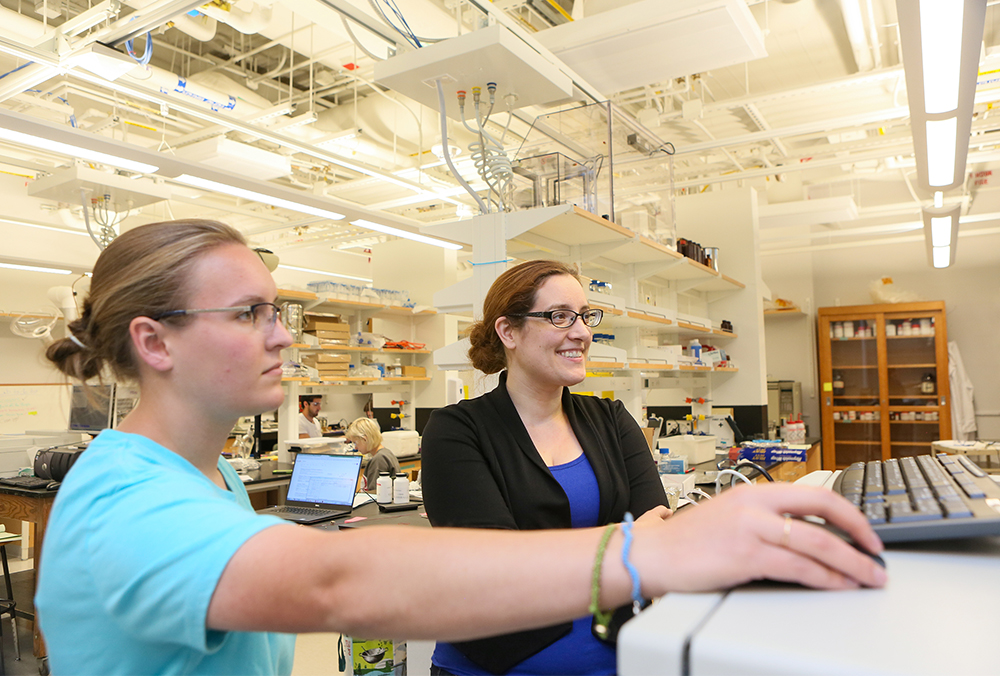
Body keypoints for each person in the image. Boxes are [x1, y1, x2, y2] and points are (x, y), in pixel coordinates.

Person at [37, 219, 886, 676]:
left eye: (279, 312)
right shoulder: (122, 497)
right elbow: (337, 583)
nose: (282, 337)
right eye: (250, 314)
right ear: (155, 342)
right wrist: (651, 550)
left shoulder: (212, 474)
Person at [420, 260, 671, 675]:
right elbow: (496, 569)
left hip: (616, 660)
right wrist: (624, 541)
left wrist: (629, 546)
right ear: (509, 331)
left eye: (585, 316)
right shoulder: (456, 431)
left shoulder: (610, 419)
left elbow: (657, 540)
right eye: (559, 317)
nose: (582, 332)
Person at [346, 416, 401, 491]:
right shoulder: (386, 453)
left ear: (364, 439)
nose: (355, 448)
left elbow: (374, 494)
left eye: (355, 443)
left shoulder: (379, 460)